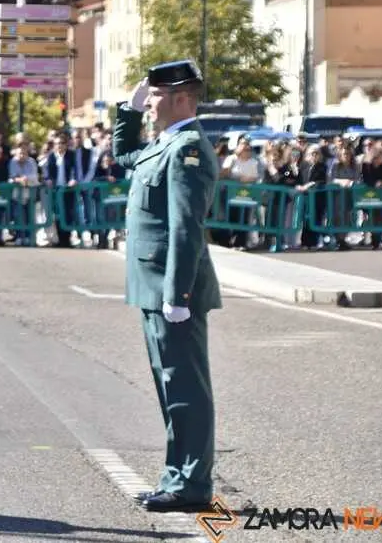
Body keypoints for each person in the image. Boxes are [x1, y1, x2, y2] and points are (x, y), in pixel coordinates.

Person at [112, 60, 221, 513]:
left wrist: (178, 294)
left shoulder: (188, 148)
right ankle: (177, 477)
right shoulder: (166, 143)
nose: (149, 101)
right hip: (153, 285)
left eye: (155, 96)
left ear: (181, 97)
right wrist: (127, 112)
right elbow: (122, 158)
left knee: (185, 388)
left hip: (171, 290)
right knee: (169, 387)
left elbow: (185, 229)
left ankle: (191, 485)